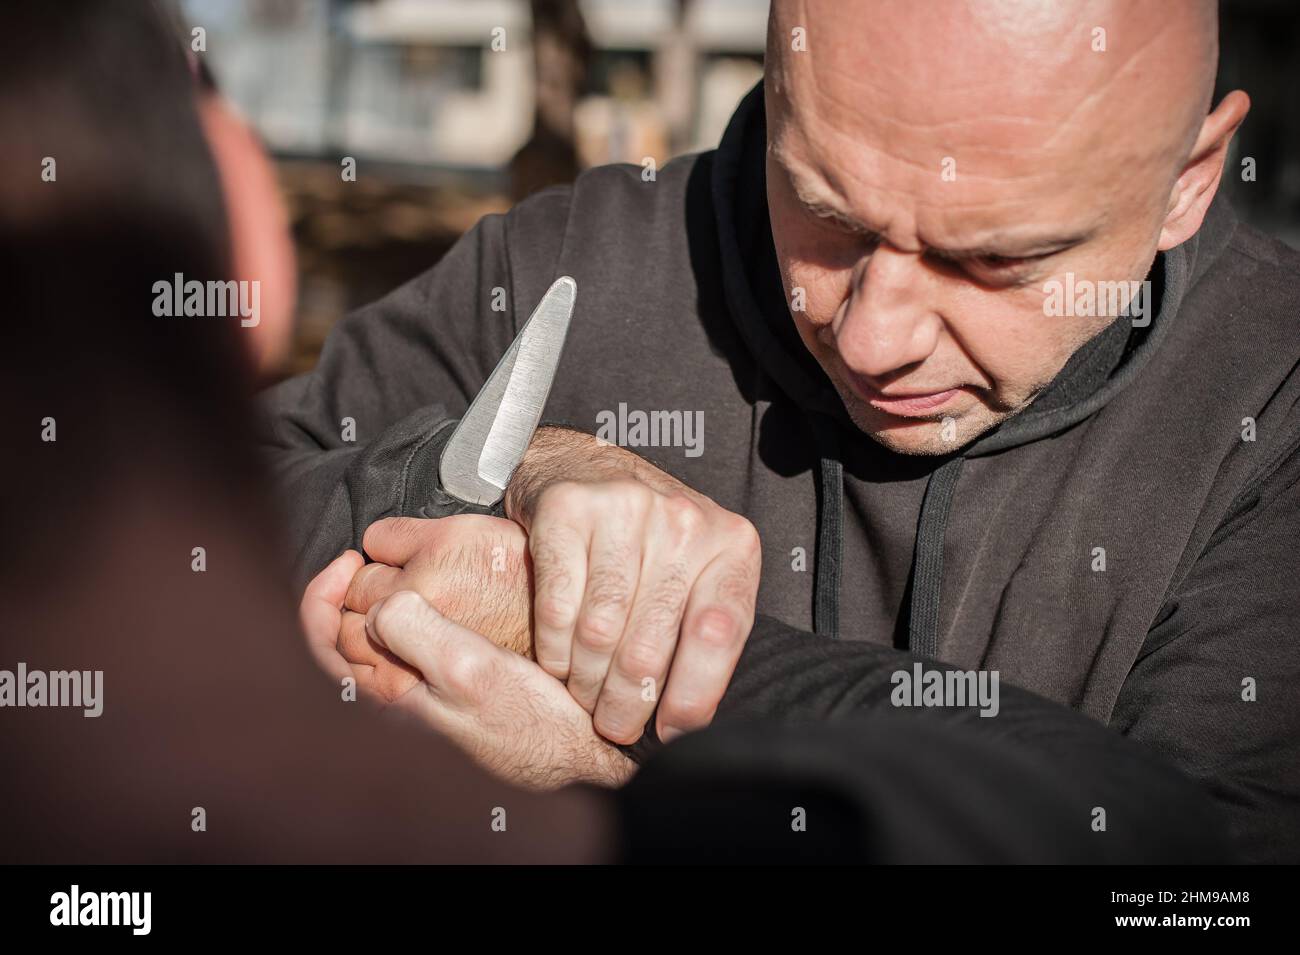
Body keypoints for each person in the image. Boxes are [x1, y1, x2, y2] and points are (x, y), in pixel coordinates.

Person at [261, 0, 1300, 862]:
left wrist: (629, 759)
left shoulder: (1276, 395)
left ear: (1190, 180)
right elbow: (217, 508)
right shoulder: (579, 257)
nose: (875, 335)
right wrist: (508, 469)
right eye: (825, 213)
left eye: (993, 260)